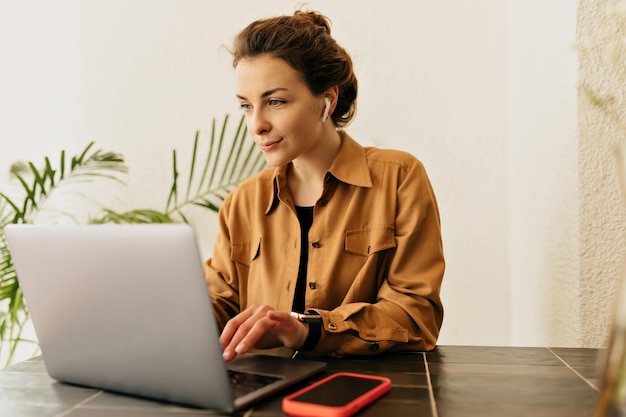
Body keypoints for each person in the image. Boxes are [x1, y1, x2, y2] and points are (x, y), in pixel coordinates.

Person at [204, 10, 444, 362]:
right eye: (245, 106)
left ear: (327, 101)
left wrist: (306, 329)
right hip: (262, 395)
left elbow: (416, 316)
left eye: (275, 102)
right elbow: (218, 304)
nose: (256, 125)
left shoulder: (399, 178)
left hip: (365, 390)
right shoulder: (242, 201)